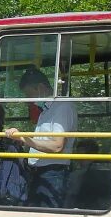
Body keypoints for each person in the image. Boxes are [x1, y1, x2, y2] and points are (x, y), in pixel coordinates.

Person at [5, 66, 78, 208]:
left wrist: (23, 138)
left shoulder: (62, 107)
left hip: (52, 173)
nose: (29, 100)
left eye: (29, 94)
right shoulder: (46, 110)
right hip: (42, 173)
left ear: (40, 87)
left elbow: (57, 146)